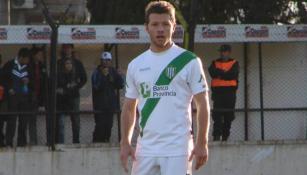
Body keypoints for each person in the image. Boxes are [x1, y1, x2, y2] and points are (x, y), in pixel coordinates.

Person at [120, 1, 210, 175]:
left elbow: (202, 104)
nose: (160, 29)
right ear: (147, 27)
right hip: (145, 150)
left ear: (174, 26)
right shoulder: (136, 65)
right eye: (155, 24)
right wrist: (125, 143)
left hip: (178, 148)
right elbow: (129, 108)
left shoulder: (189, 61)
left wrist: (202, 142)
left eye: (165, 24)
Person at [2, 48, 33, 147]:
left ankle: (22, 142)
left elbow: (32, 79)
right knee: (12, 120)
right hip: (13, 96)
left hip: (24, 96)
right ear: (21, 57)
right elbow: (2, 79)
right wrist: (9, 88)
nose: (27, 61)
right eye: (26, 59)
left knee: (23, 121)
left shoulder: (28, 67)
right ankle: (9, 142)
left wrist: (28, 81)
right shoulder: (10, 65)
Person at [57, 44, 87, 143]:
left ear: (72, 49)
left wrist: (76, 86)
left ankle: (76, 141)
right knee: (60, 122)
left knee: (75, 120)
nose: (67, 50)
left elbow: (84, 79)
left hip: (74, 96)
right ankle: (60, 142)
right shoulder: (58, 63)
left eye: (69, 48)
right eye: (65, 48)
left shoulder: (78, 63)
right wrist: (59, 88)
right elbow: (53, 79)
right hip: (61, 97)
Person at [208, 44, 239, 141]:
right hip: (218, 94)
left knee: (228, 116)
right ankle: (216, 137)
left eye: (224, 51)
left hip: (230, 94)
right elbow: (212, 73)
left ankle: (225, 137)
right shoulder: (214, 62)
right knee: (217, 116)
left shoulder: (234, 63)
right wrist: (225, 74)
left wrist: (220, 73)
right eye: (221, 51)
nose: (222, 53)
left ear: (229, 52)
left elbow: (233, 75)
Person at [91, 51, 124, 143]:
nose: (106, 62)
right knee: (100, 125)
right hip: (99, 104)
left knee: (109, 125)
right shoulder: (96, 72)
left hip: (110, 104)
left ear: (110, 61)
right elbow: (96, 87)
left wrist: (120, 76)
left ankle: (106, 140)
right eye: (104, 60)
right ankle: (97, 142)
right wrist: (103, 77)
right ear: (101, 61)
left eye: (108, 60)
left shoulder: (113, 71)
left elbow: (120, 85)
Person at [29, 46, 47, 145]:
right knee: (32, 119)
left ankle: (48, 140)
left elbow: (45, 80)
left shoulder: (42, 66)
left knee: (45, 118)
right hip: (31, 96)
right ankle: (33, 140)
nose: (41, 56)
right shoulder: (29, 66)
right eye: (39, 54)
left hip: (41, 95)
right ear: (34, 55)